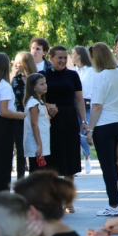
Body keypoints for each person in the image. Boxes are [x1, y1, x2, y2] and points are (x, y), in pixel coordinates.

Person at [86, 42, 118, 217]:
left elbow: (97, 105)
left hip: (104, 126)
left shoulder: (100, 77)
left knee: (108, 167)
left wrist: (90, 130)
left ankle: (114, 205)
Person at [43, 45, 88, 213]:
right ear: (51, 59)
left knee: (70, 161)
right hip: (51, 121)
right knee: (54, 161)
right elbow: (38, 98)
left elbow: (79, 100)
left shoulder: (73, 75)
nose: (62, 61)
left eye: (64, 58)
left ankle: (68, 200)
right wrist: (47, 105)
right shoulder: (44, 75)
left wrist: (83, 120)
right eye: (59, 58)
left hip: (69, 119)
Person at [0, 53, 26, 196]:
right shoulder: (4, 86)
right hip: (4, 124)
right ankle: (3, 196)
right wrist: (22, 115)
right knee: (4, 165)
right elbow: (4, 112)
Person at [12, 52, 38, 179]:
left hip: (34, 117)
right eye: (15, 62)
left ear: (26, 64)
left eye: (19, 62)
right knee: (21, 152)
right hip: (19, 118)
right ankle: (20, 181)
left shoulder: (36, 80)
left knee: (34, 149)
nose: (16, 65)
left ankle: (35, 180)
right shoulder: (15, 80)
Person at [71, 46, 94, 174]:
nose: (71, 56)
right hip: (74, 104)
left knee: (85, 134)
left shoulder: (92, 71)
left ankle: (87, 156)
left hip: (87, 104)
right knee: (74, 134)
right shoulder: (72, 71)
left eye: (73, 53)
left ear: (79, 55)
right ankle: (77, 163)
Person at [23, 73, 50, 173]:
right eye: (42, 84)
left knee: (39, 174)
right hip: (36, 144)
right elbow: (34, 124)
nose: (45, 86)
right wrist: (39, 144)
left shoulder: (40, 102)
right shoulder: (33, 103)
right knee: (37, 173)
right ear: (34, 87)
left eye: (45, 83)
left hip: (42, 141)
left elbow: (42, 121)